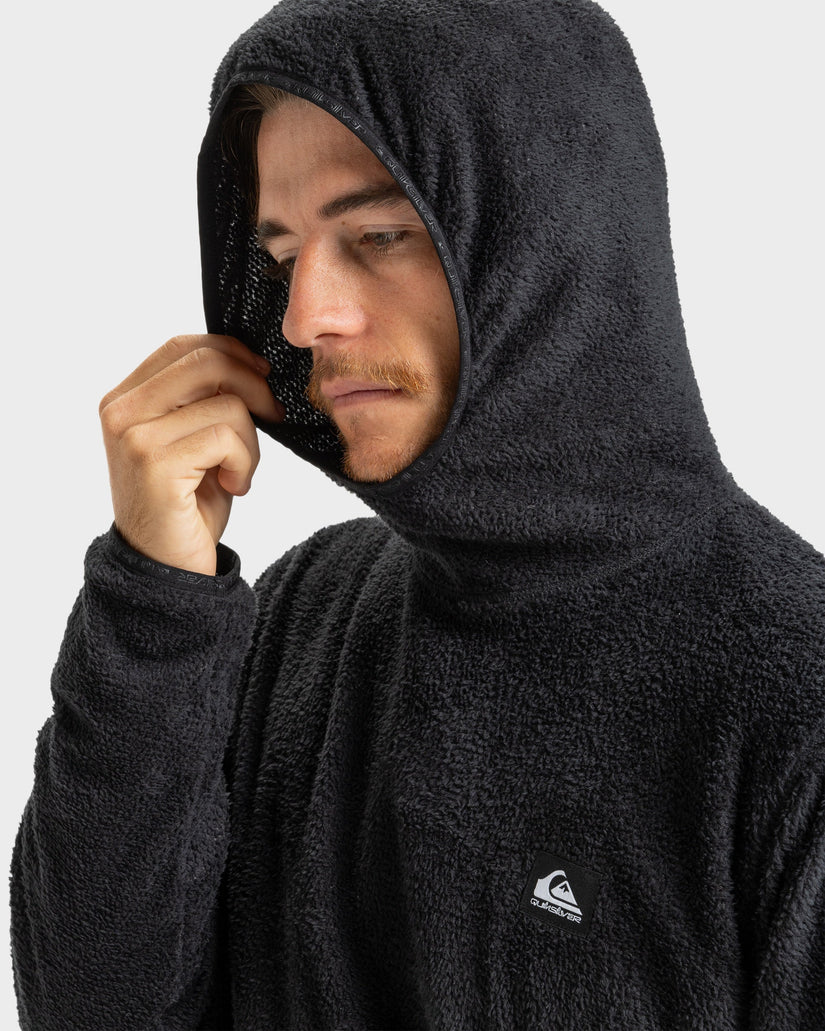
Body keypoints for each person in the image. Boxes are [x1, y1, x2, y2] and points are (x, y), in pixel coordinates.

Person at [9, 0, 824, 1027]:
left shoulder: (794, 704)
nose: (303, 317)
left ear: (548, 236)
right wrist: (154, 597)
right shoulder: (301, 613)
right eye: (282, 252)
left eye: (380, 235)